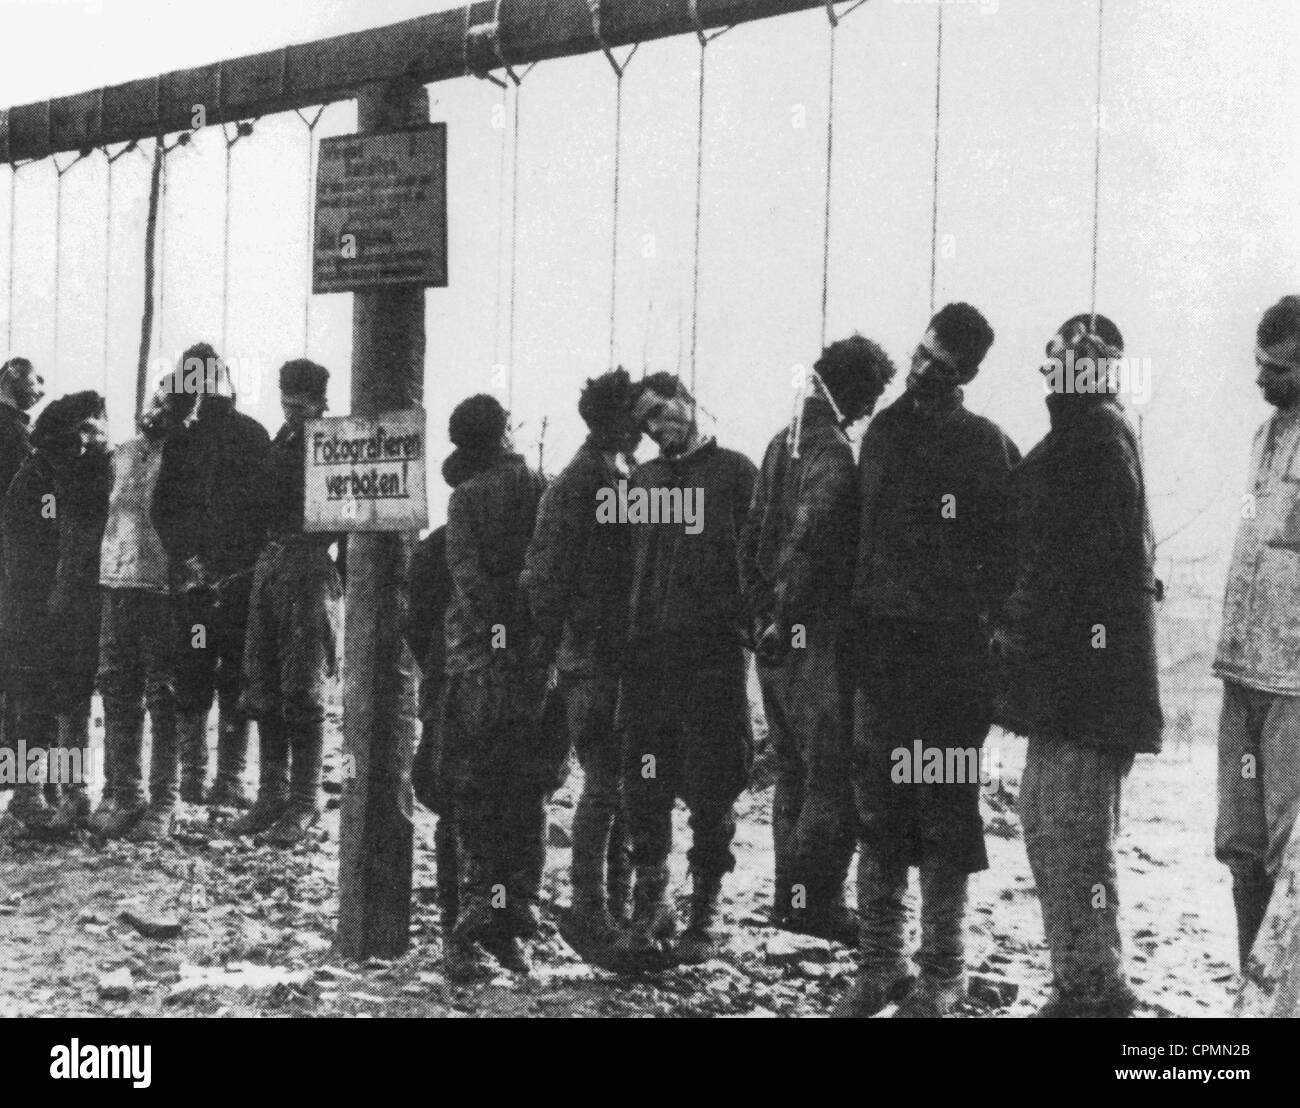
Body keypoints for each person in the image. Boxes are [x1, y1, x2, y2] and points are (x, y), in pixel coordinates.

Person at [835, 303, 1019, 1017]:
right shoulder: (881, 432)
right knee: (877, 811)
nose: (917, 371)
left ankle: (943, 974)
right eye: (919, 353)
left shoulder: (985, 447)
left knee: (944, 816)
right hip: (881, 659)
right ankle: (879, 966)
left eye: (938, 366)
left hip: (950, 670)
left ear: (966, 374)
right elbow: (860, 541)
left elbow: (1008, 564)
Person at [994, 312, 1162, 1017]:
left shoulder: (1095, 435)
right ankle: (1079, 983)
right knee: (1052, 833)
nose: (1053, 370)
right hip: (1068, 690)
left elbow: (1087, 566)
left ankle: (1097, 990)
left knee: (1074, 842)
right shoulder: (1082, 435)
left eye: (1068, 358)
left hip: (1089, 692)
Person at [740, 337, 895, 945]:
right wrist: (786, 616)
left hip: (774, 640)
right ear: (855, 390)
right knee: (830, 774)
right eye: (872, 394)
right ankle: (817, 907)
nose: (871, 408)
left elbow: (753, 538)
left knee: (793, 773)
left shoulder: (784, 441)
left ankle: (792, 900)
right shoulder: (829, 451)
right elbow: (808, 543)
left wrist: (761, 619)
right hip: (811, 636)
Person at [613, 373, 757, 967]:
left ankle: (704, 913)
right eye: (646, 420)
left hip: (713, 660)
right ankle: (652, 907)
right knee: (644, 783)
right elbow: (626, 566)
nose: (658, 424)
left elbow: (759, 559)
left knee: (711, 784)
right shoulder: (641, 481)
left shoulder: (737, 474)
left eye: (664, 409)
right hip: (648, 660)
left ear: (690, 399)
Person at [521, 369, 641, 964]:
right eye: (634, 416)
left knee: (614, 783)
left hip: (601, 654)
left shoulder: (606, 475)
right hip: (593, 656)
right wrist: (569, 638)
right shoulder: (588, 483)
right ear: (612, 420)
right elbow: (545, 580)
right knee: (606, 783)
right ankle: (591, 909)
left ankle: (610, 908)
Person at [440, 394, 552, 977]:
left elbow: (470, 584)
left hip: (482, 669)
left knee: (477, 798)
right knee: (526, 794)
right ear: (505, 432)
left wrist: (500, 645)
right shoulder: (543, 487)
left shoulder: (466, 498)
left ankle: (470, 931)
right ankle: (512, 924)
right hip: (535, 670)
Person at [1212, 294, 1300, 973]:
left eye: (1278, 369)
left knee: (1287, 843)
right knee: (1240, 840)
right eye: (1259, 366)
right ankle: (1252, 984)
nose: (1262, 381)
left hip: (1295, 684)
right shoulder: (1261, 438)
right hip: (1243, 668)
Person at [152, 343, 271, 808]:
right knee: (201, 671)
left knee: (226, 674)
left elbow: (262, 509)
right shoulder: (183, 440)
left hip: (232, 582)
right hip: (206, 585)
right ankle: (200, 779)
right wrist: (191, 558)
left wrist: (223, 563)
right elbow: (165, 509)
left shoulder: (248, 436)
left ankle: (225, 779)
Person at [232, 359, 342, 847]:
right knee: (264, 684)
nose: (292, 411)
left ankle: (304, 801)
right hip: (271, 563)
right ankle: (272, 794)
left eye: (301, 404)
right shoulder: (283, 441)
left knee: (301, 689)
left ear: (321, 401)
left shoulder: (334, 444)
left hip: (309, 567)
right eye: (286, 403)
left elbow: (346, 515)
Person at [93, 371, 198, 840]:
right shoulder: (123, 453)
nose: (157, 414)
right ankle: (125, 793)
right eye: (154, 404)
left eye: (169, 408)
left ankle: (164, 801)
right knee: (117, 688)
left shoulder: (188, 456)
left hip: (163, 588)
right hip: (116, 581)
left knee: (163, 694)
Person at [0, 392, 110, 834]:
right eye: (74, 434)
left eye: (90, 431)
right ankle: (27, 795)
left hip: (70, 607)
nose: (82, 443)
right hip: (34, 608)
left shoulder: (79, 475)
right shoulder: (36, 481)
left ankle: (68, 790)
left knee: (72, 700)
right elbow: (30, 553)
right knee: (33, 700)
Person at [0, 355, 46, 807]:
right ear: (12, 378)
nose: (43, 388)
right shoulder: (14, 431)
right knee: (21, 671)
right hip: (15, 567)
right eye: (36, 380)